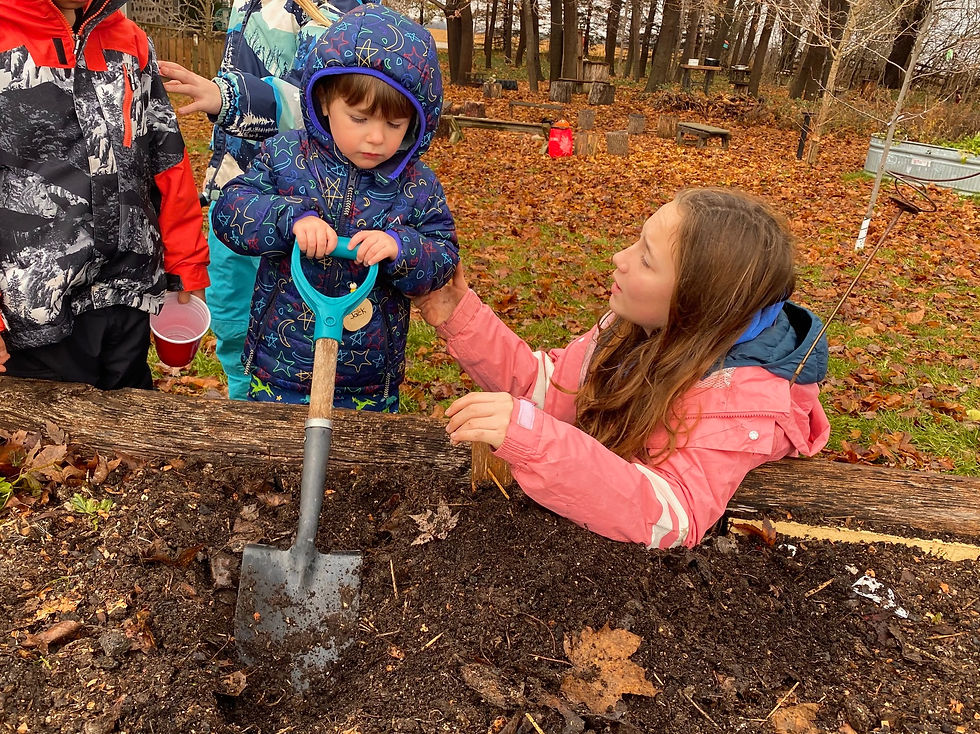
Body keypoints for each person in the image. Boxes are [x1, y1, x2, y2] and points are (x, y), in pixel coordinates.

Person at [413, 188, 831, 549]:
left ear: (696, 302)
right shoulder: (638, 328)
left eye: (646, 260)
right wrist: (461, 318)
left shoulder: (737, 406)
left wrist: (536, 440)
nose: (620, 258)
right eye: (637, 242)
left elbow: (672, 516)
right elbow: (557, 389)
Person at [212, 4, 458, 410]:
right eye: (359, 118)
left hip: (367, 380)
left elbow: (443, 255)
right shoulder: (286, 156)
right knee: (277, 447)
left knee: (357, 453)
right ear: (325, 100)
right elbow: (232, 210)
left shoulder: (417, 185)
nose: (376, 138)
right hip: (281, 367)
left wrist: (401, 248)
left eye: (394, 125)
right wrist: (291, 219)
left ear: (416, 122)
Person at [0, 0, 209, 389]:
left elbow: (167, 158)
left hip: (128, 291)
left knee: (127, 419)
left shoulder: (130, 41)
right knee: (53, 424)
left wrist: (187, 262)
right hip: (35, 306)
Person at [158, 0, 360, 400]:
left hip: (297, 201)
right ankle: (242, 406)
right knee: (230, 314)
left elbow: (320, 101)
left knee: (291, 326)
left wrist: (228, 98)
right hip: (234, 190)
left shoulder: (335, 8)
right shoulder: (244, 4)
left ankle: (291, 413)